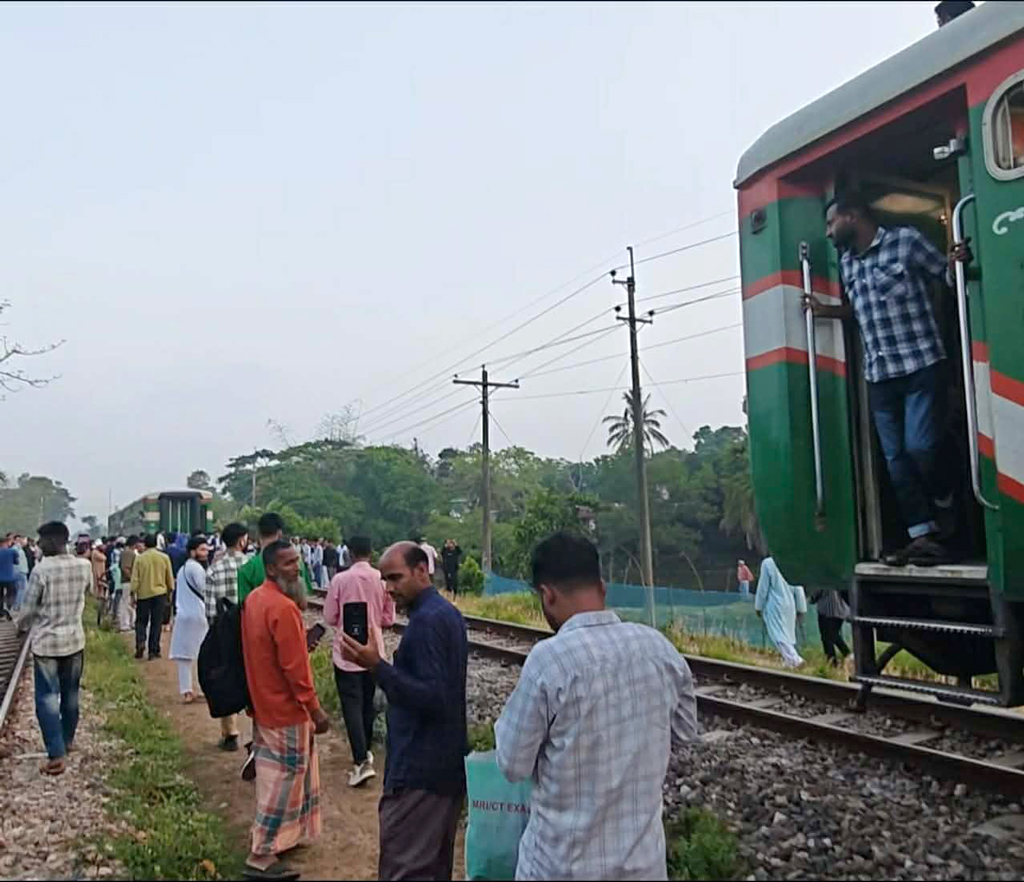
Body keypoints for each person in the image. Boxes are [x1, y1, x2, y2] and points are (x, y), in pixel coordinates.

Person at [494, 532, 697, 881]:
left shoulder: (549, 661)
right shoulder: (659, 648)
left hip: (560, 868)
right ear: (602, 586)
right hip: (644, 868)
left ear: (547, 594)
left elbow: (512, 765)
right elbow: (685, 732)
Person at [809, 192, 972, 566]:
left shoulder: (905, 241)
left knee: (920, 447)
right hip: (879, 374)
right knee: (895, 461)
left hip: (921, 363)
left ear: (853, 215)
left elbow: (945, 275)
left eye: (832, 223)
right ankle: (923, 535)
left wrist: (957, 261)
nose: (829, 233)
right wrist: (826, 311)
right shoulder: (848, 264)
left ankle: (947, 493)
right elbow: (860, 309)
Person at [340, 542, 468, 882]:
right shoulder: (445, 614)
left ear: (422, 570)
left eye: (396, 578)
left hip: (420, 771)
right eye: (385, 580)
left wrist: (377, 667)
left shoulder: (427, 623)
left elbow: (432, 696)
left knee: (406, 869)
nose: (389, 588)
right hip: (442, 766)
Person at [241, 540, 330, 881]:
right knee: (286, 777)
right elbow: (296, 669)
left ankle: (284, 838)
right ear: (272, 568)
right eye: (289, 563)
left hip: (263, 703)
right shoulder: (283, 608)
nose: (298, 567)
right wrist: (316, 709)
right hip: (287, 709)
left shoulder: (255, 600)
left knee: (270, 774)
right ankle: (261, 853)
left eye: (297, 561)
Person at [16, 522, 92, 776]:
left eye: (41, 541)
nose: (39, 545)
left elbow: (27, 612)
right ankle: (67, 740)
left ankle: (56, 753)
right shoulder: (84, 566)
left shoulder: (41, 571)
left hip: (47, 644)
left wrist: (20, 626)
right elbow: (89, 593)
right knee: (70, 694)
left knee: (47, 698)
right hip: (74, 641)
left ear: (52, 541)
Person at [323, 535, 395, 787]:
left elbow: (330, 616)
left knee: (351, 704)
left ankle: (360, 759)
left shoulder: (340, 579)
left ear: (350, 553)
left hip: (346, 653)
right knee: (368, 705)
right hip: (374, 651)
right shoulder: (382, 580)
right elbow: (388, 619)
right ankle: (365, 752)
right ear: (371, 553)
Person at [203, 522, 249, 751]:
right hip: (251, 629)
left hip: (225, 632)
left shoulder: (214, 570)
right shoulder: (252, 566)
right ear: (242, 540)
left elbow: (210, 611)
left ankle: (231, 732)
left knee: (227, 675)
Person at [238, 513, 313, 606]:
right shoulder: (297, 563)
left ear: (258, 534)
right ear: (280, 533)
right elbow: (304, 601)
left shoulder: (247, 570)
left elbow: (244, 608)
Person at [170, 536, 210, 704]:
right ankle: (203, 689)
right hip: (199, 615)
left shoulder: (183, 569)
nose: (206, 553)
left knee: (184, 657)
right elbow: (205, 589)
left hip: (184, 615)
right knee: (204, 655)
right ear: (192, 552)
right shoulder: (197, 569)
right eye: (202, 550)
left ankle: (187, 691)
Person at [755, 556, 807, 668]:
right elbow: (799, 587)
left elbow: (763, 587)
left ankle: (795, 659)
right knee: (787, 634)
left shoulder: (768, 563)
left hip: (774, 604)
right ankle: (789, 662)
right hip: (790, 604)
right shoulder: (793, 562)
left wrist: (758, 606)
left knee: (778, 635)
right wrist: (801, 607)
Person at [130, 533, 174, 660]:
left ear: (145, 544)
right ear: (156, 543)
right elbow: (169, 577)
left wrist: (133, 593)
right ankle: (153, 651)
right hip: (159, 594)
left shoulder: (140, 558)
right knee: (156, 622)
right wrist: (170, 591)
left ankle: (140, 642)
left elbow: (135, 578)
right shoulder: (164, 557)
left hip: (143, 594)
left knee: (141, 621)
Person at [810, 588, 852, 668]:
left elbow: (818, 590)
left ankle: (835, 661)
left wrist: (812, 598)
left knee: (827, 638)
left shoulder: (824, 576)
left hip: (826, 610)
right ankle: (840, 659)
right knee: (834, 635)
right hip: (841, 610)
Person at [0, 535, 18, 617]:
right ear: (6, 543)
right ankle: (9, 607)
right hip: (10, 578)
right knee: (12, 594)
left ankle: (0, 613)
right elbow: (16, 562)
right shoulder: (12, 551)